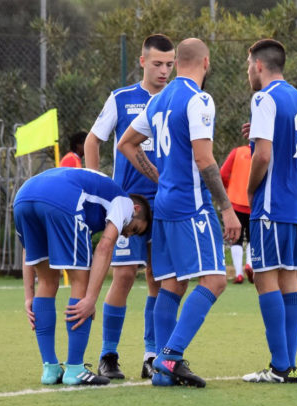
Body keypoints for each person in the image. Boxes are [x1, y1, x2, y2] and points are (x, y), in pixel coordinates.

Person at [118, 38, 241, 387]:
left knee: (171, 284)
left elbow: (126, 143)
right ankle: (170, 357)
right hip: (191, 205)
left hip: (164, 204)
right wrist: (226, 208)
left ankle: (161, 367)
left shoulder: (158, 100)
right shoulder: (199, 99)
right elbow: (204, 158)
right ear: (206, 62)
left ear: (178, 62)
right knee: (215, 281)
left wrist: (161, 178)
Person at [84, 34, 175, 380]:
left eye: (169, 64)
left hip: (164, 203)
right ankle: (108, 354)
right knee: (123, 275)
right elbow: (93, 140)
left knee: (158, 279)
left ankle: (152, 354)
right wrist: (97, 183)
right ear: (142, 61)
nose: (164, 70)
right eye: (157, 63)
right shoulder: (122, 98)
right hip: (127, 206)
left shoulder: (176, 99)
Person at [15, 167, 151, 386]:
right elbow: (105, 246)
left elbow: (28, 251)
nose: (127, 235)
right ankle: (75, 369)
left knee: (47, 282)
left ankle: (50, 369)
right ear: (136, 209)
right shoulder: (124, 202)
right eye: (134, 229)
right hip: (62, 199)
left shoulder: (95, 193)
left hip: (23, 197)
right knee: (81, 282)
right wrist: (90, 299)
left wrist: (29, 296)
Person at [239, 39, 297, 384]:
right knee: (290, 279)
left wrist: (251, 189)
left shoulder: (263, 98)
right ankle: (285, 367)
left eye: (248, 66)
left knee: (266, 278)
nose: (248, 72)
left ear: (258, 65)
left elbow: (263, 155)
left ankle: (279, 366)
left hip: (273, 204)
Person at [220, 144, 253, 284]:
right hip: (254, 202)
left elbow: (222, 174)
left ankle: (238, 274)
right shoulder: (265, 152)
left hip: (235, 201)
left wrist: (230, 187)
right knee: (253, 238)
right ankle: (250, 264)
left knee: (235, 238)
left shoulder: (237, 152)